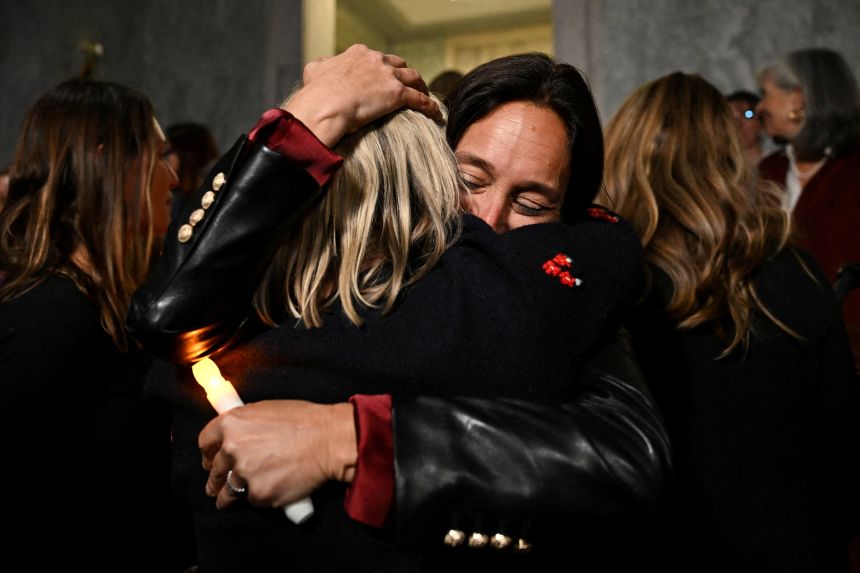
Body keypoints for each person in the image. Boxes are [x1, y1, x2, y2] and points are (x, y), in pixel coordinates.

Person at [128, 46, 669, 571]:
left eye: (532, 205)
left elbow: (623, 454)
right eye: (469, 181)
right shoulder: (301, 303)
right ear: (428, 169)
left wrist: (345, 437)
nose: (488, 219)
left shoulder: (552, 295)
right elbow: (167, 313)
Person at [602, 71, 860, 572]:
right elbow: (844, 460)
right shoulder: (797, 271)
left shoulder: (609, 280)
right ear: (730, 157)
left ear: (624, 152)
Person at [0, 79, 188, 571]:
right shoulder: (49, 316)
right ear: (108, 166)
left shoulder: (108, 305)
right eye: (158, 156)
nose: (172, 178)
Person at [756, 47, 860, 371]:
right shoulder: (768, 170)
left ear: (798, 98)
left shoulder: (854, 169)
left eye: (765, 94)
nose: (759, 107)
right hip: (778, 354)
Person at [165, 122, 220, 222]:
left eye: (166, 153)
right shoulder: (178, 202)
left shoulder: (212, 202)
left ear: (189, 155)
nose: (163, 162)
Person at [725, 89, 767, 166]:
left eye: (747, 115)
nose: (739, 125)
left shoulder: (782, 161)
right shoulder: (719, 168)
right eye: (731, 119)